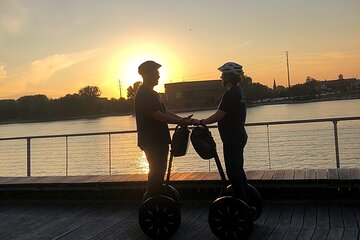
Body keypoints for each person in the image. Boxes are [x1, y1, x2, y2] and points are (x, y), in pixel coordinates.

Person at [135, 60, 192, 199]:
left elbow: (164, 111)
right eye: (156, 73)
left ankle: (156, 198)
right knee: (156, 172)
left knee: (159, 172)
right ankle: (152, 201)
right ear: (147, 74)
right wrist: (179, 121)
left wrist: (182, 120)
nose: (159, 76)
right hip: (152, 141)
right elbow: (157, 115)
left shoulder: (153, 93)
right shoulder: (144, 93)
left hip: (159, 139)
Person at [192, 62, 248, 200]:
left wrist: (200, 122)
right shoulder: (238, 91)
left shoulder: (231, 93)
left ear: (228, 76)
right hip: (237, 134)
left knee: (233, 171)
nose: (220, 76)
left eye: (223, 74)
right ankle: (244, 198)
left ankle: (240, 202)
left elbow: (219, 115)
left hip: (232, 137)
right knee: (237, 169)